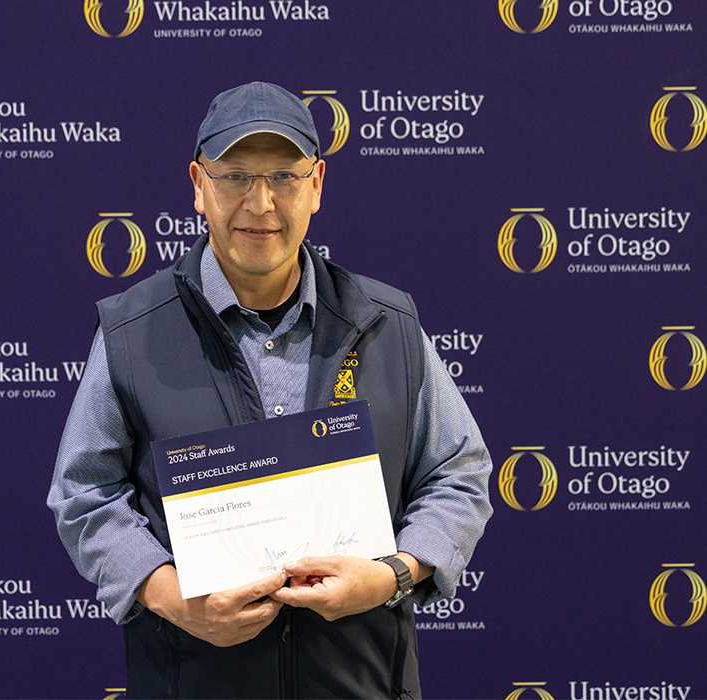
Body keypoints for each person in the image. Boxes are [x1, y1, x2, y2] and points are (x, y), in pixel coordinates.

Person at [48, 81, 492, 699]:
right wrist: (172, 597)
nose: (260, 203)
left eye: (283, 176)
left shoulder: (389, 324)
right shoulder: (132, 330)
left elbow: (459, 475)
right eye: (235, 176)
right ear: (199, 186)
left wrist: (390, 576)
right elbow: (85, 493)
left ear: (316, 185)